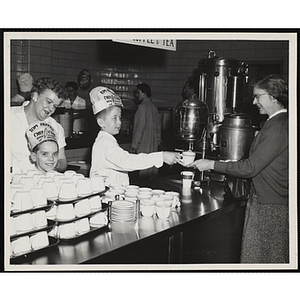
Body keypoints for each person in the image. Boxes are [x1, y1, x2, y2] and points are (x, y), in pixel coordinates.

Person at [187, 74, 289, 264]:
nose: (254, 101)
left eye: (258, 96)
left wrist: (211, 164)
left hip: (271, 207)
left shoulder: (278, 126)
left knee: (263, 261)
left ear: (273, 96)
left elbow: (250, 167)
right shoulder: (272, 123)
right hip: (263, 201)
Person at [89, 86, 181, 187]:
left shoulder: (108, 140)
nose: (119, 122)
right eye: (114, 118)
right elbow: (127, 161)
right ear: (101, 122)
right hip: (107, 197)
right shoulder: (105, 143)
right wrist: (160, 156)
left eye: (120, 117)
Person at [10, 77, 69, 174]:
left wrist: (53, 163)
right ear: (35, 96)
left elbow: (63, 162)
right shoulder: (9, 117)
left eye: (55, 106)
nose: (51, 109)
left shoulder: (55, 126)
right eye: (49, 102)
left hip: (43, 184)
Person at [130, 83, 161, 181]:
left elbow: (139, 128)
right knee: (151, 173)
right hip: (153, 145)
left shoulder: (142, 107)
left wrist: (134, 146)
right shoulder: (154, 107)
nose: (137, 95)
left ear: (144, 94)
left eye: (138, 93)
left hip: (143, 145)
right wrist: (158, 142)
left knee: (142, 173)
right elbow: (158, 128)